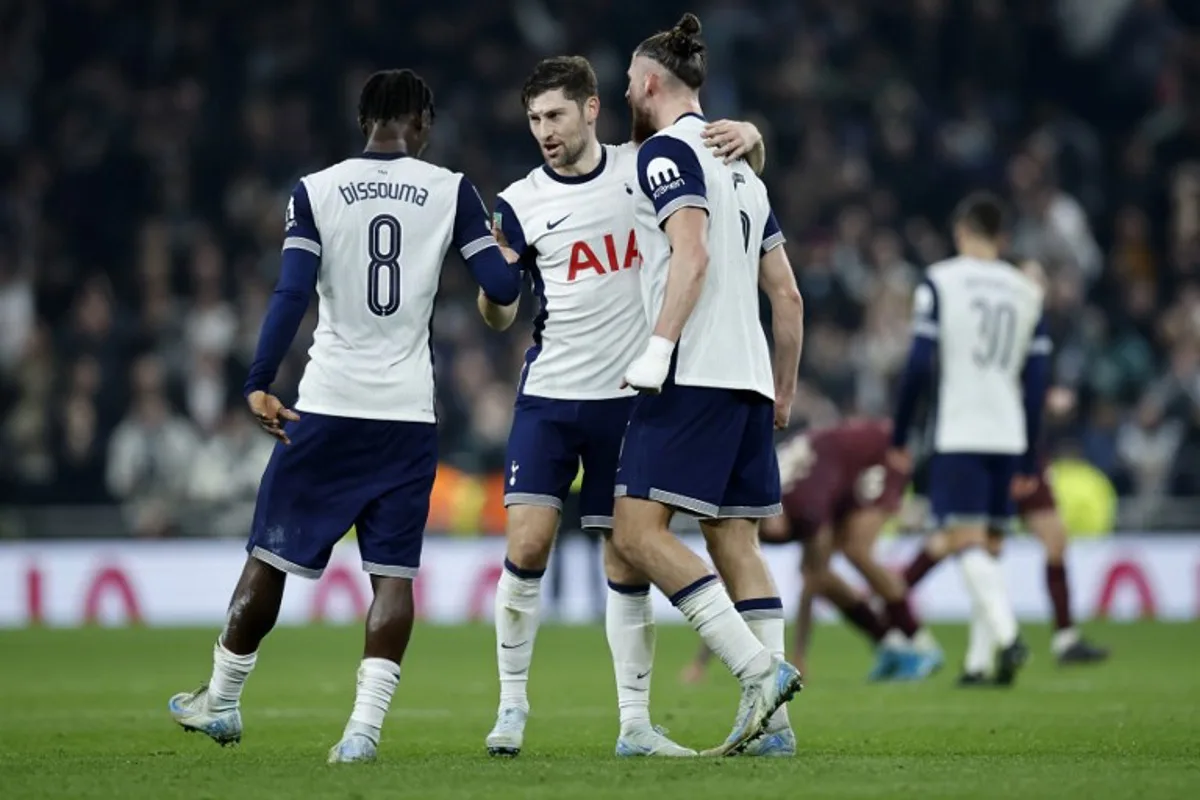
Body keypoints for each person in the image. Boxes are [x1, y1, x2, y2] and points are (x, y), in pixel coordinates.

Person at [167, 69, 521, 764]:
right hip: (407, 415)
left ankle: (222, 699)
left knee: (270, 556)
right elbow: (503, 286)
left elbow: (290, 292)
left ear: (365, 121)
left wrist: (257, 380)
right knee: (392, 577)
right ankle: (362, 732)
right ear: (421, 122)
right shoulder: (451, 190)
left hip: (327, 406)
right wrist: (514, 254)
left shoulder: (315, 189)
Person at [481, 55, 767, 759]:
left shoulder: (641, 164)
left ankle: (635, 723)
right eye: (533, 120)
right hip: (550, 396)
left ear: (590, 109)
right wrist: (494, 286)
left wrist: (753, 134)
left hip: (628, 399)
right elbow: (498, 314)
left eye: (554, 115)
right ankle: (511, 706)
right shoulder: (518, 201)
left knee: (626, 560)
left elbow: (725, 164)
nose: (544, 131)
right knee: (527, 544)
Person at [610, 13, 805, 758]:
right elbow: (786, 297)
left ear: (651, 83)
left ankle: (758, 672)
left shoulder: (664, 153)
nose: (625, 90)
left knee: (634, 535)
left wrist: (659, 351)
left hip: (689, 373)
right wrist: (782, 391)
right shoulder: (744, 171)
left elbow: (688, 256)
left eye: (629, 82)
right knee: (735, 540)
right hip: (750, 380)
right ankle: (775, 734)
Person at [890, 191, 1050, 687]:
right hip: (1009, 432)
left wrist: (901, 430)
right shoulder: (1027, 291)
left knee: (964, 541)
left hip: (959, 429)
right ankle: (981, 664)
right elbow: (1039, 380)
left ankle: (1006, 635)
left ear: (961, 232)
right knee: (991, 545)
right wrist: (1029, 452)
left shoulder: (940, 280)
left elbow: (919, 362)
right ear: (1001, 237)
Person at [681, 419, 943, 685]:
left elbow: (811, 581)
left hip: (881, 449)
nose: (774, 533)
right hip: (837, 467)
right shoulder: (752, 514)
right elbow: (729, 587)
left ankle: (920, 643)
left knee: (855, 551)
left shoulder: (807, 506)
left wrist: (798, 655)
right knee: (824, 575)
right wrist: (700, 662)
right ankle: (891, 646)